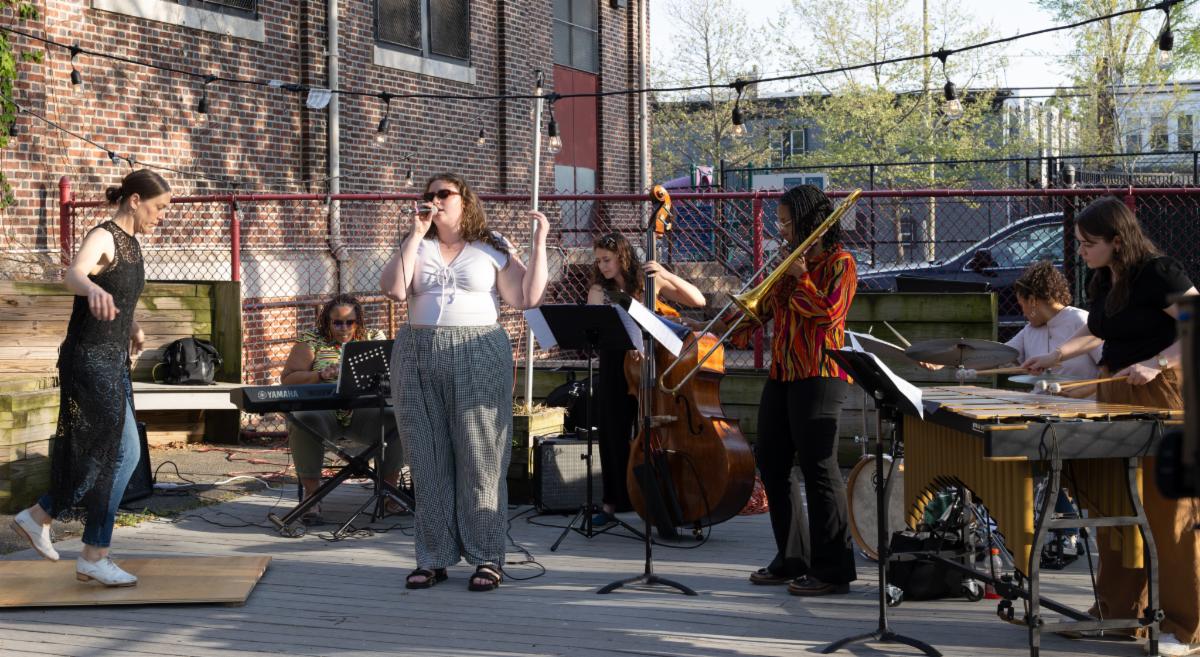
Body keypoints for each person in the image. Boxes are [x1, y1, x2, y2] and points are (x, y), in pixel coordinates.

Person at [1022, 196, 1200, 656]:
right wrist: (1058, 354)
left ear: (1117, 241)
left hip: (1165, 396)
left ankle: (1185, 627)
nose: (1080, 250)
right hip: (1115, 392)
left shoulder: (1158, 272)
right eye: (1079, 243)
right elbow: (1100, 330)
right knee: (1116, 507)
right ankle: (1121, 615)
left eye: (1088, 243)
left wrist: (1157, 363)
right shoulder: (1106, 276)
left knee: (1172, 515)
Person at [380, 173, 548, 592]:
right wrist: (415, 235)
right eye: (429, 195)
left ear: (464, 201)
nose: (434, 201)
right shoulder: (418, 245)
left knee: (480, 455)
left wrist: (540, 242)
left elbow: (526, 297)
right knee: (427, 456)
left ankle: (487, 556)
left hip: (478, 348)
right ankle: (433, 557)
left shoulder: (490, 243)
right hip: (418, 350)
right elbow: (395, 291)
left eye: (443, 194)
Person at [9, 169, 172, 587]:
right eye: (158, 207)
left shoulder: (133, 245)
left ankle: (46, 520)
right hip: (89, 359)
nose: (160, 216)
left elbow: (120, 295)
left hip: (113, 358)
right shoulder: (104, 236)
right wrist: (92, 290)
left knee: (117, 454)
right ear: (135, 200)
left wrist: (132, 326)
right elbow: (74, 275)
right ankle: (89, 550)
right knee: (120, 453)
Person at [723, 184, 858, 595]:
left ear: (806, 222)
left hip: (820, 373)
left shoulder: (841, 263)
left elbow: (829, 316)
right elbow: (761, 310)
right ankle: (791, 557)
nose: (781, 230)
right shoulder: (787, 263)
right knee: (774, 464)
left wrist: (801, 278)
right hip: (783, 373)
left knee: (819, 468)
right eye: (779, 222)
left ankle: (832, 569)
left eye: (785, 222)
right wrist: (723, 327)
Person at [586, 232, 705, 526]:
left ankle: (672, 494)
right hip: (616, 363)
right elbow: (595, 329)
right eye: (599, 260)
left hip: (656, 364)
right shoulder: (600, 291)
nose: (602, 266)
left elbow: (698, 300)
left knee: (662, 429)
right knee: (612, 431)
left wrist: (665, 274)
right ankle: (612, 502)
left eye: (607, 260)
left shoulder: (650, 281)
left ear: (623, 257)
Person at [279, 293, 403, 524]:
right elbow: (288, 379)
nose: (343, 327)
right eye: (337, 322)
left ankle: (390, 493)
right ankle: (312, 497)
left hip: (364, 412)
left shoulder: (373, 337)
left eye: (350, 322)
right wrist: (319, 374)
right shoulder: (311, 340)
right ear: (327, 321)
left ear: (359, 321)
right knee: (303, 419)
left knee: (393, 418)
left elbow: (392, 374)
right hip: (324, 413)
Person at [1006, 260, 1102, 396]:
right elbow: (1001, 354)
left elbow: (1112, 371)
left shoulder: (1081, 321)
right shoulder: (1029, 330)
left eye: (1022, 305)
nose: (1023, 313)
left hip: (1081, 408)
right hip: (1039, 407)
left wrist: (1085, 390)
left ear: (1033, 300)